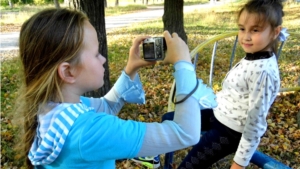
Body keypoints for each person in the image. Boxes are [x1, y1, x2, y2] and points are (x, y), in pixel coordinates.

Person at [15, 8, 218, 169]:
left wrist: (131, 68)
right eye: (96, 54)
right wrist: (183, 64)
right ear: (68, 72)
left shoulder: (54, 109)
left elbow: (105, 106)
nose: (103, 59)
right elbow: (185, 133)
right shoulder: (90, 131)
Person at [132, 0, 289, 168]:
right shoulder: (255, 55)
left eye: (255, 30)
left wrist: (239, 163)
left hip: (229, 132)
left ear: (275, 32)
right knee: (168, 119)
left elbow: (255, 124)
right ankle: (152, 156)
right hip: (218, 114)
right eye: (242, 28)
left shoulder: (263, 72)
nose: (246, 36)